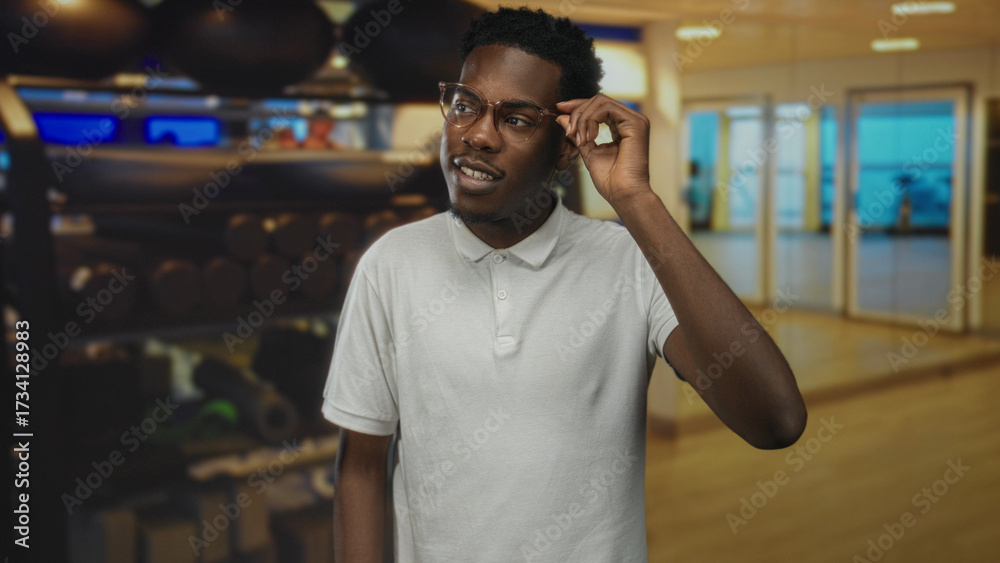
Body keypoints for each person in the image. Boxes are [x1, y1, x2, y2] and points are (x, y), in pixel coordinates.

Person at [323, 7, 807, 562]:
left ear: (565, 148)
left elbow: (775, 421)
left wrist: (636, 201)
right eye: (465, 106)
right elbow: (361, 464)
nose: (478, 134)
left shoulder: (629, 262)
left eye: (517, 119)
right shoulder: (392, 264)